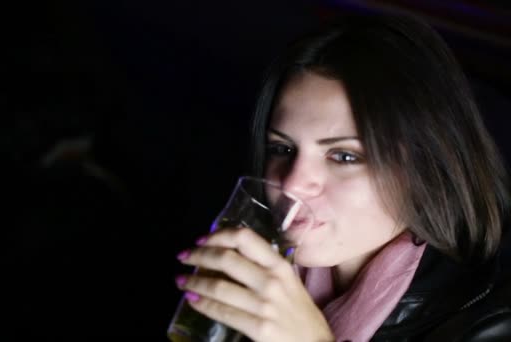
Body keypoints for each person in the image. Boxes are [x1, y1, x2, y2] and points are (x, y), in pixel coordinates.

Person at [173, 13, 511, 341]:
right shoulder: (256, 274)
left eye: (344, 156)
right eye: (282, 149)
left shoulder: (487, 325)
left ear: (427, 169)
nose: (291, 184)